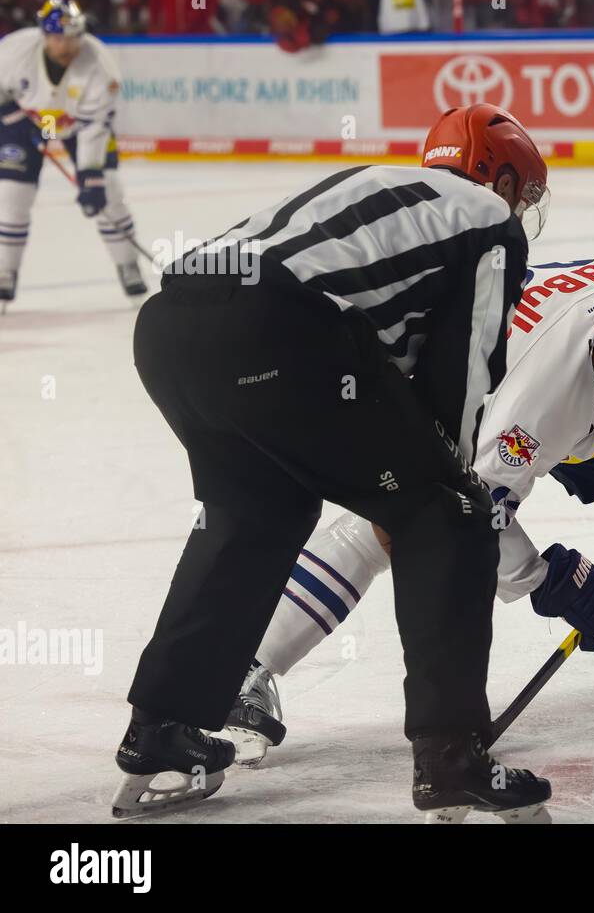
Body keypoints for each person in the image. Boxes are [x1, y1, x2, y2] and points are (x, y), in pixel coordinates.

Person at [112, 103, 554, 824]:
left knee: (256, 512)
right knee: (446, 514)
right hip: (273, 329)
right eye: (521, 189)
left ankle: (162, 728)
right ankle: (451, 757)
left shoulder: (391, 191)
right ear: (494, 175)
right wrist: (453, 484)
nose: (521, 209)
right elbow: (462, 374)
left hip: (169, 330)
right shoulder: (485, 220)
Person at [223, 252, 594, 765]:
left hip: (574, 406)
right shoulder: (537, 405)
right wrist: (548, 581)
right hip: (461, 395)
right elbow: (475, 508)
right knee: (389, 525)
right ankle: (245, 665)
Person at [0, 0, 143, 305]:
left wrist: (91, 173)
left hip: (79, 126)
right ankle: (5, 272)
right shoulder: (14, 51)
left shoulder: (101, 66)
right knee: (12, 195)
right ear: (43, 34)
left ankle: (127, 263)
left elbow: (95, 126)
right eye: (57, 38)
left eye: (72, 37)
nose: (66, 46)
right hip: (26, 120)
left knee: (110, 192)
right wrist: (12, 117)